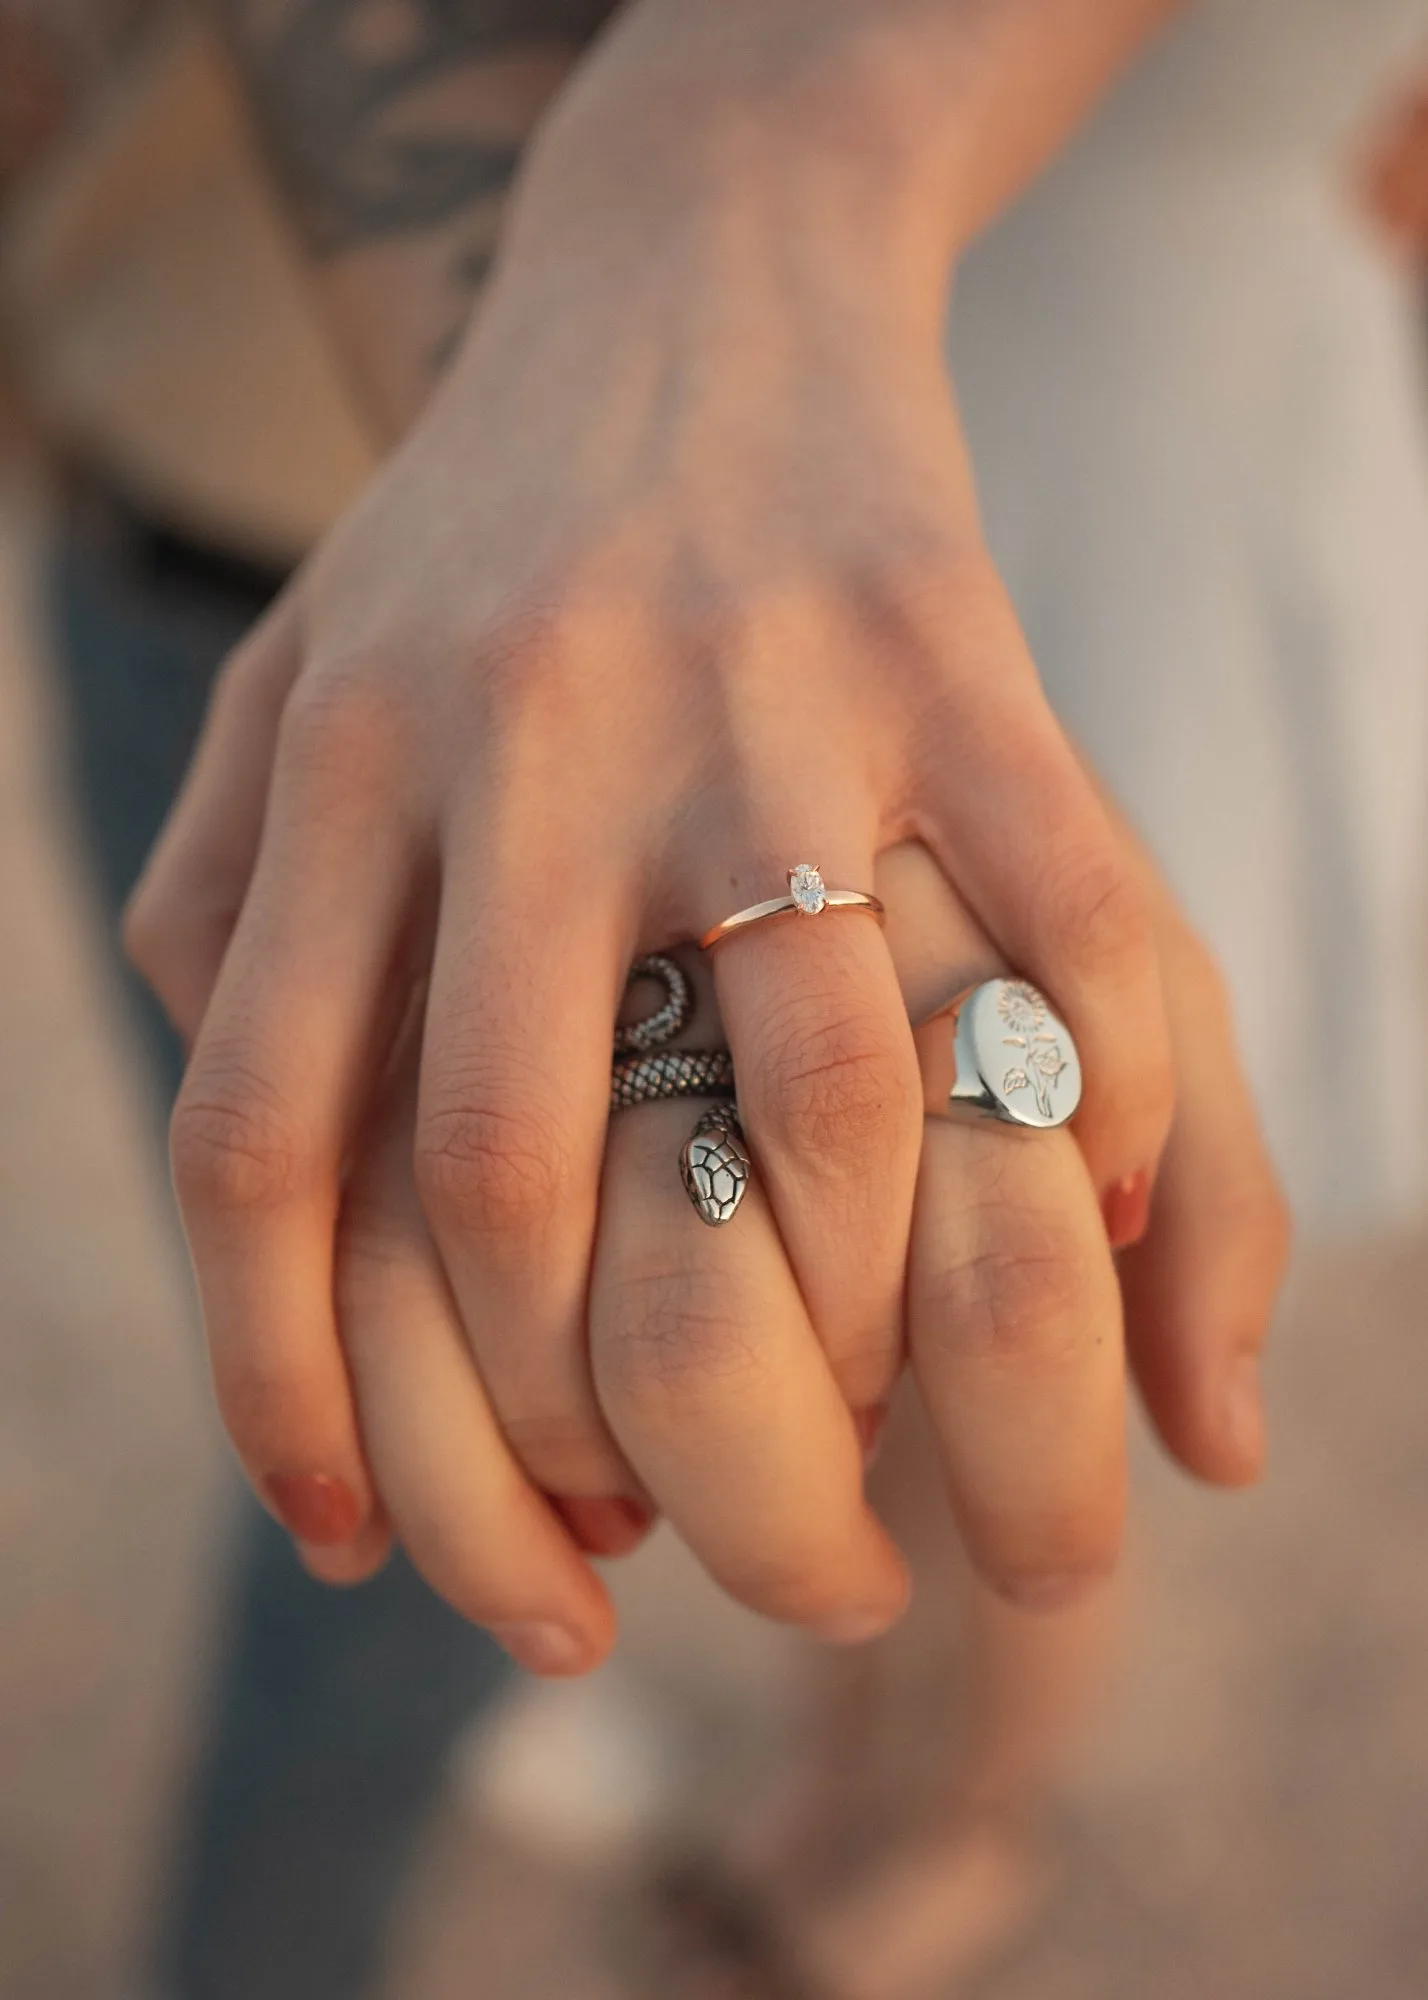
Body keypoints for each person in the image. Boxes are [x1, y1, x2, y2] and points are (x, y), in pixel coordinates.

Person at [11, 0, 1420, 1992]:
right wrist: (697, 243)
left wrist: (738, 188)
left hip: (1147, 515)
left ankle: (907, 1812)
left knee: (941, 1333)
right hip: (346, 515)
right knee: (450, 1453)